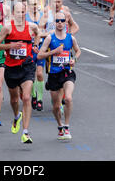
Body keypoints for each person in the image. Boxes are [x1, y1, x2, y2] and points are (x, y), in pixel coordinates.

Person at [0, 2, 41, 144]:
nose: (20, 15)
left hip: (26, 66)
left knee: (26, 98)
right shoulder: (8, 28)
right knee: (14, 100)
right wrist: (10, 46)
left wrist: (35, 45)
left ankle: (25, 132)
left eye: (23, 12)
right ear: (13, 13)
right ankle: (16, 116)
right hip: (11, 67)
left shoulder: (32, 26)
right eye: (18, 12)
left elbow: (38, 34)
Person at [37, 11, 81, 140]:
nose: (60, 23)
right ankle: (60, 125)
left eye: (62, 21)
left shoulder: (70, 38)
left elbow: (78, 51)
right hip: (54, 74)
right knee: (56, 106)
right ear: (54, 23)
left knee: (68, 98)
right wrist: (54, 52)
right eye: (57, 21)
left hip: (67, 73)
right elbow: (40, 55)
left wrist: (74, 60)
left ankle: (66, 126)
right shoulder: (50, 38)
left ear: (66, 22)